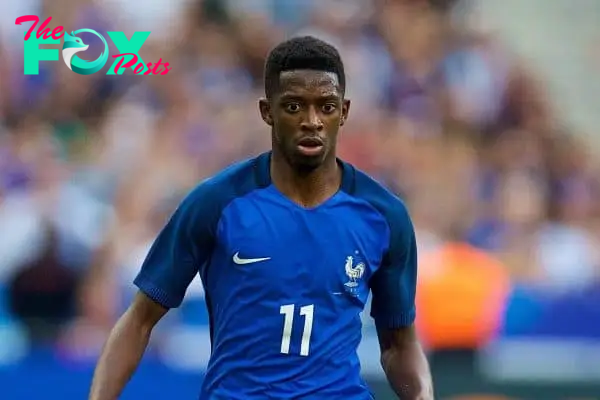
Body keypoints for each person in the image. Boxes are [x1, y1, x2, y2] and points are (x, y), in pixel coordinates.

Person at [89, 36, 433, 400]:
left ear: (344, 112)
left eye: (326, 107)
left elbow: (399, 344)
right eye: (294, 106)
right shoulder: (217, 203)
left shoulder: (383, 215)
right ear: (267, 111)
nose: (312, 121)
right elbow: (140, 320)